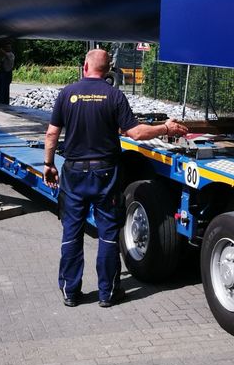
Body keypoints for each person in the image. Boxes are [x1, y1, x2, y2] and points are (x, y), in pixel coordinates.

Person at [43, 48, 189, 307]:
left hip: (74, 173)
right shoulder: (114, 95)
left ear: (85, 67)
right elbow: (136, 133)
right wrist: (166, 128)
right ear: (108, 70)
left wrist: (48, 164)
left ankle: (70, 292)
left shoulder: (67, 93)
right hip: (105, 174)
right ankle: (107, 293)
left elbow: (52, 134)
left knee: (72, 233)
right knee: (108, 235)